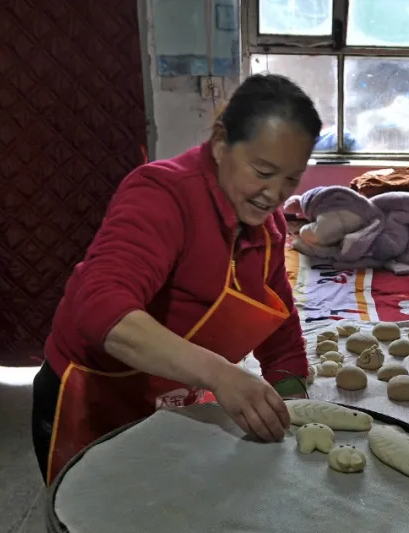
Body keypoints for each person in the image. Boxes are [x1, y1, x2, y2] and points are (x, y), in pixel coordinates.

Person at [31, 74, 320, 484]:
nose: (273, 194)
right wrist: (221, 374)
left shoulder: (267, 228)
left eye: (290, 178)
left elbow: (282, 337)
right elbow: (101, 309)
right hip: (94, 400)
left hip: (173, 400)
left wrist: (297, 418)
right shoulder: (161, 194)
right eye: (262, 171)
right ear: (221, 142)